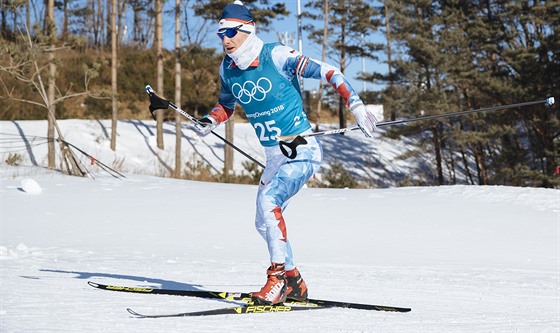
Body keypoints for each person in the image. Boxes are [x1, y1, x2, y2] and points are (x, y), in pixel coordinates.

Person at [193, 0, 378, 305]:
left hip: (301, 148)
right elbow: (226, 104)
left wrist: (356, 106)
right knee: (262, 221)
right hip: (274, 157)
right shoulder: (227, 68)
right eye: (220, 33)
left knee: (269, 202)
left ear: (247, 30)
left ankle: (276, 279)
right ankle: (294, 282)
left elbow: (330, 71)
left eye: (230, 32)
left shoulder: (276, 55)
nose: (225, 39)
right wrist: (210, 121)